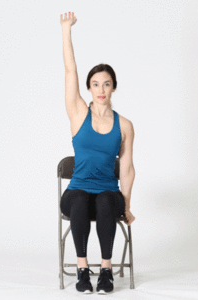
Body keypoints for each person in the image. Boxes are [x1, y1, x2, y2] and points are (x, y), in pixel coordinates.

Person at [60, 11, 136, 294]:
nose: (101, 89)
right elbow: (70, 70)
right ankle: (82, 269)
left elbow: (126, 169)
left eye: (106, 83)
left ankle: (106, 271)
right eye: (95, 84)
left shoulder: (124, 125)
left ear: (113, 86)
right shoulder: (79, 113)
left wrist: (126, 206)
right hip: (78, 191)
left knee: (106, 202)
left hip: (107, 193)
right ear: (88, 89)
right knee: (79, 200)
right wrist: (66, 30)